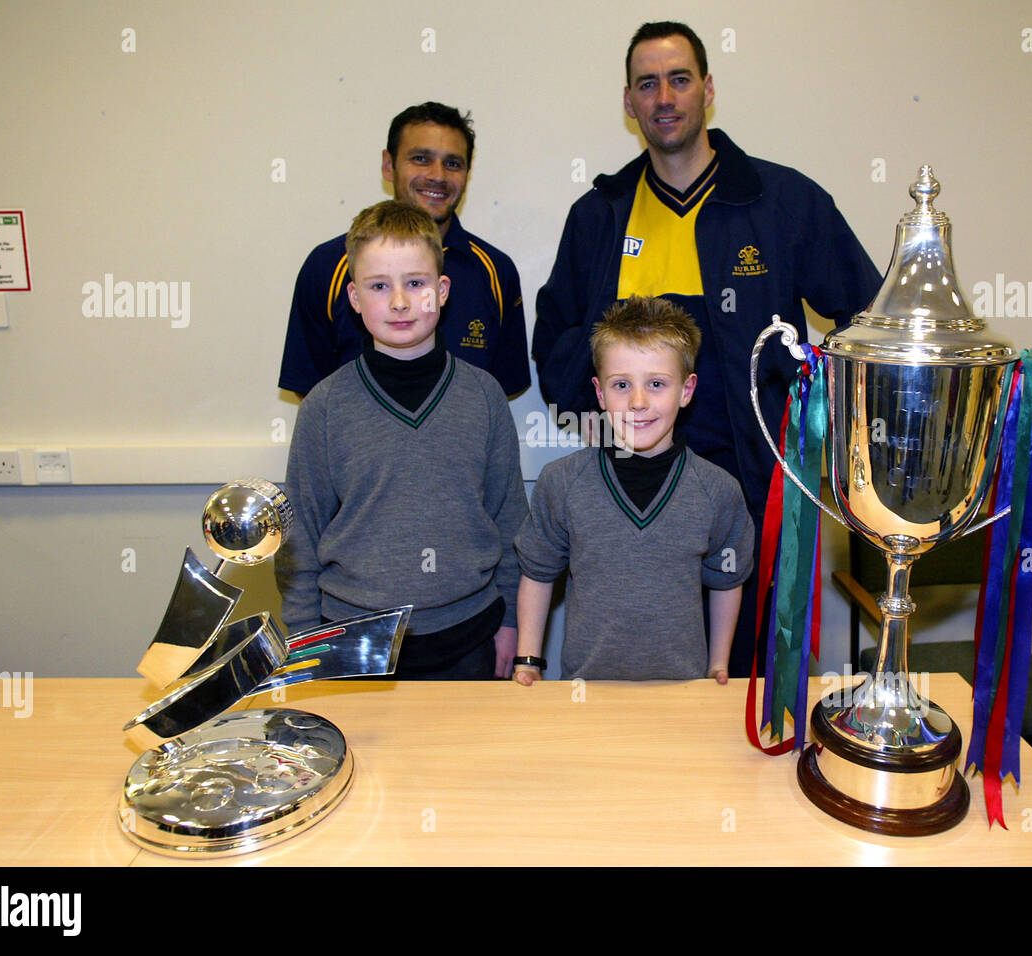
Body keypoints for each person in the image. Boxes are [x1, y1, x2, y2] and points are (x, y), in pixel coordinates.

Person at [531, 21, 882, 676]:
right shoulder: (600, 216)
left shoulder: (784, 202)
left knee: (745, 686)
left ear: (708, 90)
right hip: (626, 505)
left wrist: (818, 419)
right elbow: (552, 339)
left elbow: (870, 318)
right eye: (647, 84)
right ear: (630, 102)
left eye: (680, 79)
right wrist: (604, 415)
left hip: (756, 495)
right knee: (629, 681)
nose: (664, 96)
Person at [275, 201, 527, 679]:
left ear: (442, 290)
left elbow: (510, 519)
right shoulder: (325, 407)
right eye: (378, 286)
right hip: (350, 641)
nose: (399, 302)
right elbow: (300, 541)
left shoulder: (484, 396)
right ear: (353, 298)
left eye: (415, 283)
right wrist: (303, 638)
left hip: (470, 636)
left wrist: (513, 621)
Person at [513, 296, 753, 684]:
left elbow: (727, 582)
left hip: (684, 692)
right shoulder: (561, 483)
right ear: (600, 393)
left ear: (687, 390)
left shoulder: (718, 490)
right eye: (622, 385)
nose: (638, 402)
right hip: (584, 694)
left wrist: (718, 664)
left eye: (656, 384)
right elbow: (538, 574)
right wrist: (527, 660)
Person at [279, 102, 530, 399]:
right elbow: (311, 394)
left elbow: (500, 392)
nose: (437, 175)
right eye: (421, 158)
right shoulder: (327, 266)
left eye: (453, 163)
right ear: (389, 165)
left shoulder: (497, 272)